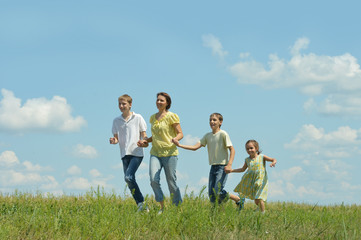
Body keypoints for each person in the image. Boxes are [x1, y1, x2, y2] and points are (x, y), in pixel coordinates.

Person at [173, 113, 240, 205]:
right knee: (211, 195)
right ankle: (216, 214)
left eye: (214, 120)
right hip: (213, 167)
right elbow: (195, 147)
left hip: (222, 167)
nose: (212, 122)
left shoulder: (223, 134)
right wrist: (179, 145)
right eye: (210, 120)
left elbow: (232, 150)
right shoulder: (207, 136)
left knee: (217, 192)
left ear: (220, 122)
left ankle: (237, 199)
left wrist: (229, 164)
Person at [138, 92, 183, 213]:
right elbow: (155, 136)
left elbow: (180, 133)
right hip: (155, 153)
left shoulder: (172, 116)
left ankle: (177, 207)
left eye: (161, 100)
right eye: (157, 100)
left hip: (170, 153)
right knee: (153, 180)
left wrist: (176, 139)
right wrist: (145, 141)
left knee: (171, 182)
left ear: (167, 103)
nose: (158, 102)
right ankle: (162, 207)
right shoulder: (153, 117)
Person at [110, 94, 148, 212]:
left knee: (128, 177)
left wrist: (144, 141)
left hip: (136, 152)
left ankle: (141, 203)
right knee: (128, 179)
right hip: (124, 154)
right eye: (119, 104)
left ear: (130, 104)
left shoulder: (138, 118)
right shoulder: (116, 121)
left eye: (124, 104)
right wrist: (113, 141)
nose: (121, 106)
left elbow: (144, 135)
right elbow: (116, 138)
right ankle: (140, 205)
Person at [231, 140, 277, 213]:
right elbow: (242, 169)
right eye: (247, 149)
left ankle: (263, 213)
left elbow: (273, 159)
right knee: (256, 200)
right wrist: (232, 170)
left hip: (261, 180)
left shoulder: (262, 157)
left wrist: (273, 163)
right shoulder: (247, 160)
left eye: (251, 148)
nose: (249, 150)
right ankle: (259, 209)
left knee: (259, 198)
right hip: (251, 181)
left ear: (256, 148)